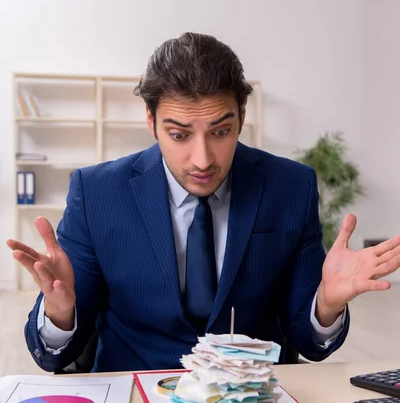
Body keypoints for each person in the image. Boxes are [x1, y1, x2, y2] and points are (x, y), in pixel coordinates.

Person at [7, 32, 400, 373]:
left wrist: (327, 303)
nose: (202, 159)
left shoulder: (290, 187)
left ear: (242, 115)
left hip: (251, 400)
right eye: (179, 135)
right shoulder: (97, 193)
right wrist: (59, 313)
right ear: (151, 120)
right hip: (138, 400)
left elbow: (309, 342)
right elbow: (55, 358)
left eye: (221, 131)